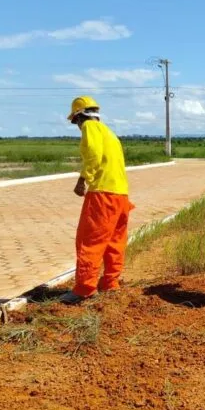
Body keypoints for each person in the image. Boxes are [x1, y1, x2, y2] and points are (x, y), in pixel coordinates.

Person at [60, 96, 134, 305]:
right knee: (114, 242)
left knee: (89, 241)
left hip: (102, 194)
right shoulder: (109, 133)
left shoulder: (90, 127)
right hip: (120, 195)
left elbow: (93, 154)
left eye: (75, 121)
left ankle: (84, 289)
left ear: (80, 116)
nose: (77, 126)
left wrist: (84, 179)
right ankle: (110, 283)